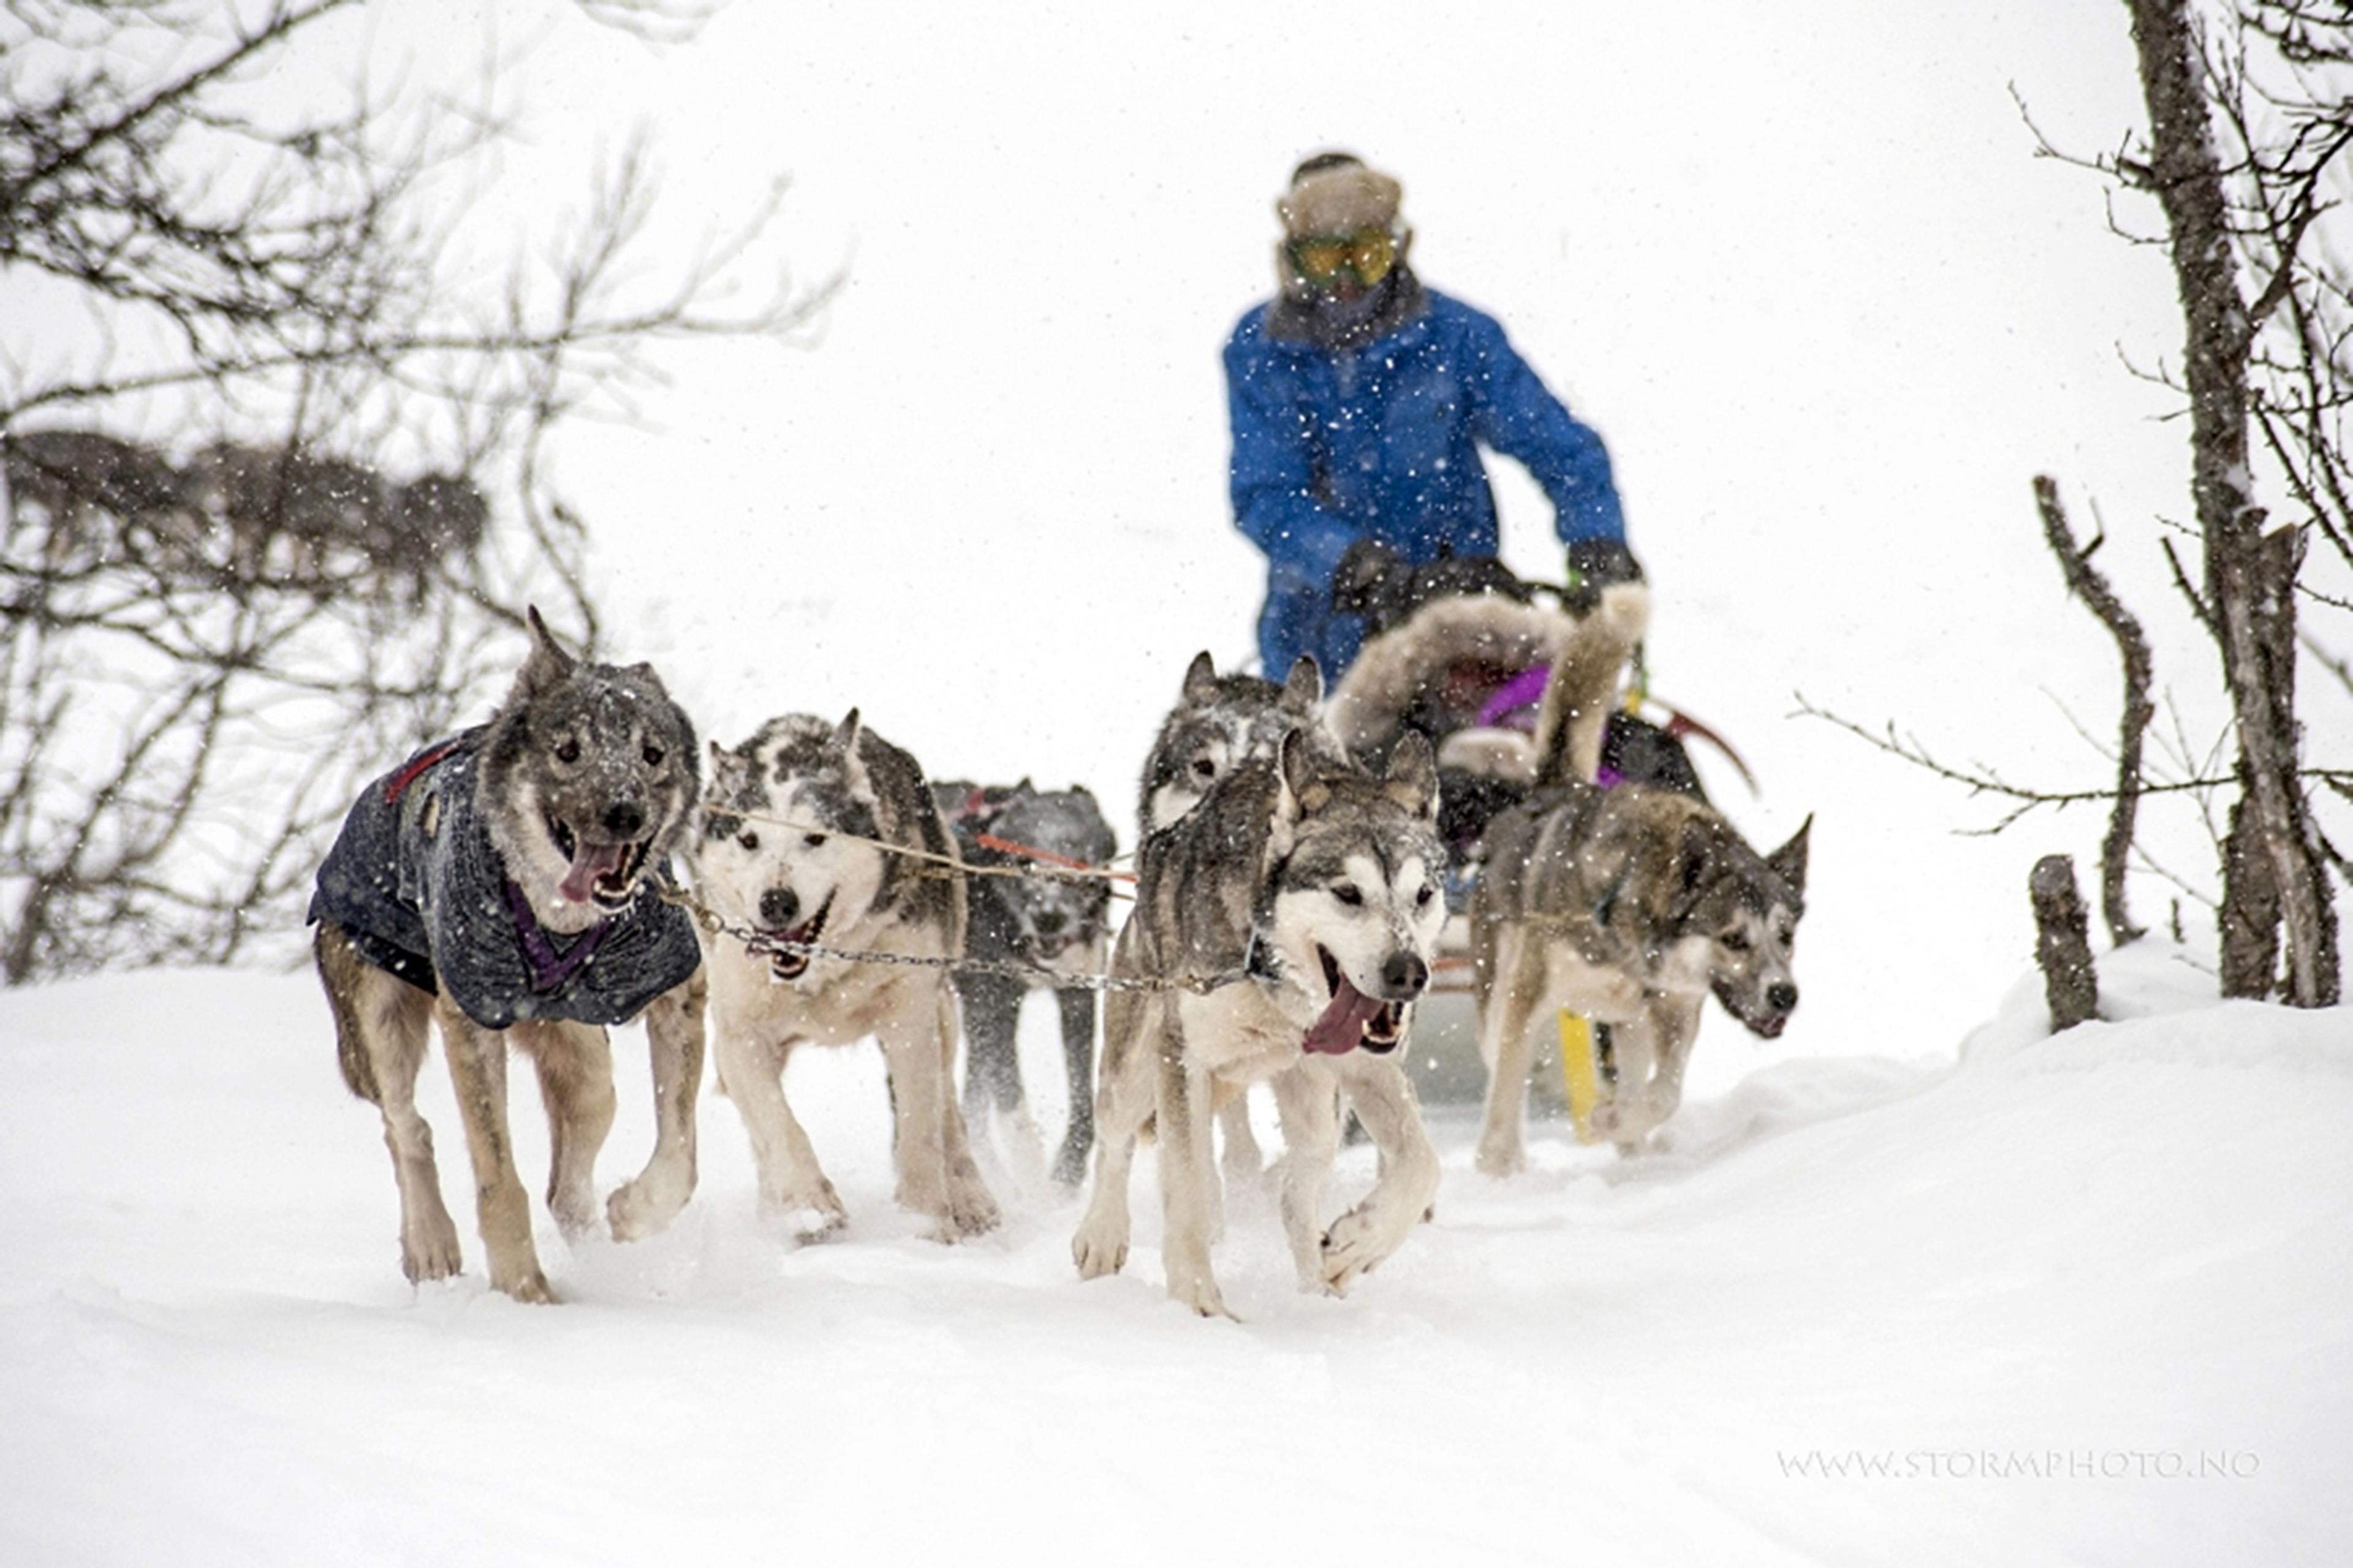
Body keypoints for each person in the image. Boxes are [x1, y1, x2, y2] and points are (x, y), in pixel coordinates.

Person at [1223, 151, 1642, 681]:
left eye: (1367, 255)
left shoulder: (1459, 338)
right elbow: (1266, 495)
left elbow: (1561, 447)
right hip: (1316, 640)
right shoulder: (1260, 353)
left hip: (1457, 623)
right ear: (1292, 260)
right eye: (1328, 260)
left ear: (1396, 248)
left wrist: (1598, 543)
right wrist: (1356, 566)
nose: (1347, 281)